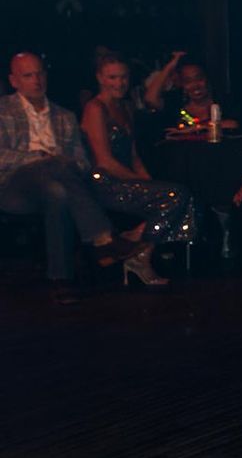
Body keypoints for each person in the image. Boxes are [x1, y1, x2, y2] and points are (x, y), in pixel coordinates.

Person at [0, 51, 152, 296]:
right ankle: (103, 239)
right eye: (28, 75)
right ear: (14, 81)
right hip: (14, 185)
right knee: (56, 164)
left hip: (57, 184)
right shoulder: (3, 111)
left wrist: (57, 163)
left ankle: (61, 278)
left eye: (40, 73)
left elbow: (81, 163)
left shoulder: (65, 116)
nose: (36, 80)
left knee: (58, 192)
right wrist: (40, 158)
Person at [79, 55, 196, 285]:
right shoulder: (95, 108)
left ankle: (134, 245)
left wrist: (147, 180)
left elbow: (134, 156)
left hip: (124, 179)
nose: (119, 83)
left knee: (182, 196)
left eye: (123, 77)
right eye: (112, 77)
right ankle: (137, 252)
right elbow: (104, 161)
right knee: (176, 195)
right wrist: (142, 183)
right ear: (100, 78)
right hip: (104, 182)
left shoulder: (124, 106)